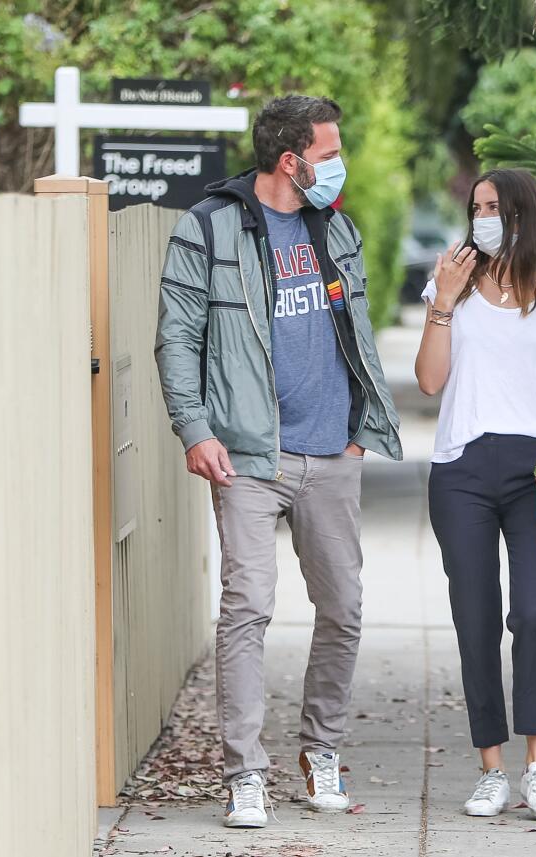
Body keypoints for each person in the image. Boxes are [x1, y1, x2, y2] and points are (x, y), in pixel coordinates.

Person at [155, 94, 402, 828]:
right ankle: (244, 773)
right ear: (290, 160)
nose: (338, 167)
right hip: (249, 455)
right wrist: (195, 428)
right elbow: (177, 337)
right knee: (247, 608)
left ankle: (320, 749)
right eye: (328, 154)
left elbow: (355, 330)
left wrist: (361, 429)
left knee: (345, 609)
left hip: (333, 450)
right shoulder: (208, 228)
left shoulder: (339, 230)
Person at [414, 168, 536, 821]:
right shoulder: (453, 291)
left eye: (493, 206)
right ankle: (491, 768)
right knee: (477, 620)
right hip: (460, 467)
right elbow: (430, 381)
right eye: (476, 207)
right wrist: (443, 298)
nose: (482, 217)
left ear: (522, 213)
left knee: (532, 615)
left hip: (535, 470)